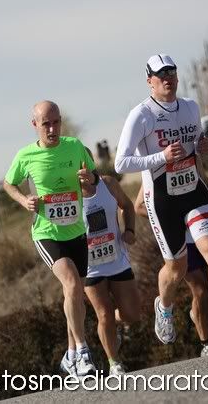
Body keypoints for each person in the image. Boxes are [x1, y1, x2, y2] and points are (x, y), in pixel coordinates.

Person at [114, 54, 208, 350]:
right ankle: (164, 306)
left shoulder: (190, 107)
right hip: (162, 199)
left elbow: (197, 147)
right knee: (176, 267)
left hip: (194, 190)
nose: (168, 79)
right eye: (161, 75)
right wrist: (160, 157)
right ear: (149, 81)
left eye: (172, 73)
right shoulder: (142, 115)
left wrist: (203, 147)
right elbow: (121, 162)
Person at [4, 101, 99, 377]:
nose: (52, 129)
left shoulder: (75, 146)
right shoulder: (26, 156)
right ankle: (82, 351)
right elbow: (8, 184)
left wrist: (88, 179)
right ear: (35, 125)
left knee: (75, 293)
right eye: (46, 124)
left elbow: (94, 177)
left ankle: (69, 356)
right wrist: (24, 200)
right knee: (70, 283)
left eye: (56, 122)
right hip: (47, 233)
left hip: (76, 231)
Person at [134, 185, 208, 356]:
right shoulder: (157, 165)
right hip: (182, 239)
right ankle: (206, 344)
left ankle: (197, 315)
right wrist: (168, 219)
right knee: (200, 291)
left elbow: (206, 187)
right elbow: (139, 206)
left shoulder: (191, 160)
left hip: (203, 232)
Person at [80, 150, 140, 375]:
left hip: (117, 260)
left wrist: (130, 230)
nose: (82, 167)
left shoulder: (108, 184)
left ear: (91, 162)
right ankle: (114, 363)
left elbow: (127, 205)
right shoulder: (69, 195)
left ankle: (116, 322)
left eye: (85, 161)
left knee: (132, 315)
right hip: (90, 266)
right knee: (103, 314)